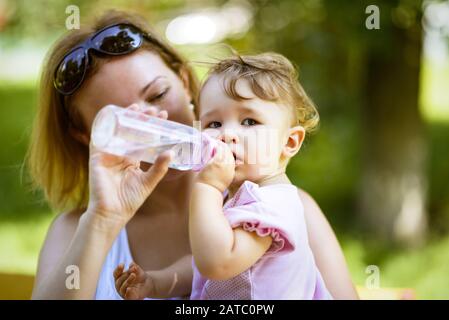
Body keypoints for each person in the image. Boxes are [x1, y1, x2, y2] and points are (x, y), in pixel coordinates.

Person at [29, 10, 358, 300]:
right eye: (124, 120)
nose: (152, 126)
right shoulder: (75, 231)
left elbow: (214, 262)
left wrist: (207, 187)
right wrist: (103, 221)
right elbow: (194, 271)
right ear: (88, 136)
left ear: (186, 84)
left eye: (158, 94)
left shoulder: (282, 208)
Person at [114, 52, 333, 299]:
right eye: (214, 124)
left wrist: (207, 186)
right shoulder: (242, 197)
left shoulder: (272, 206)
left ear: (289, 142)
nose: (227, 135)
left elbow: (218, 263)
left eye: (249, 122)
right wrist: (157, 283)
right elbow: (199, 266)